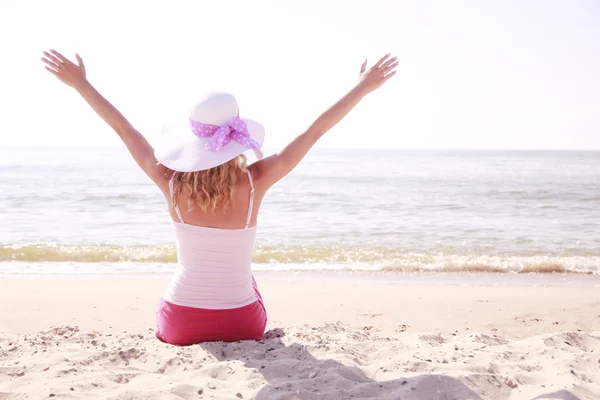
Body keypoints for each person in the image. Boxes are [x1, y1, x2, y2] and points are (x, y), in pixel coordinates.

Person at [41, 49, 398, 345]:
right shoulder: (258, 180)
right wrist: (362, 88)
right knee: (247, 281)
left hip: (180, 324)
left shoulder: (168, 181)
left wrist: (81, 85)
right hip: (242, 325)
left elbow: (123, 129)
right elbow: (315, 131)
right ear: (236, 135)